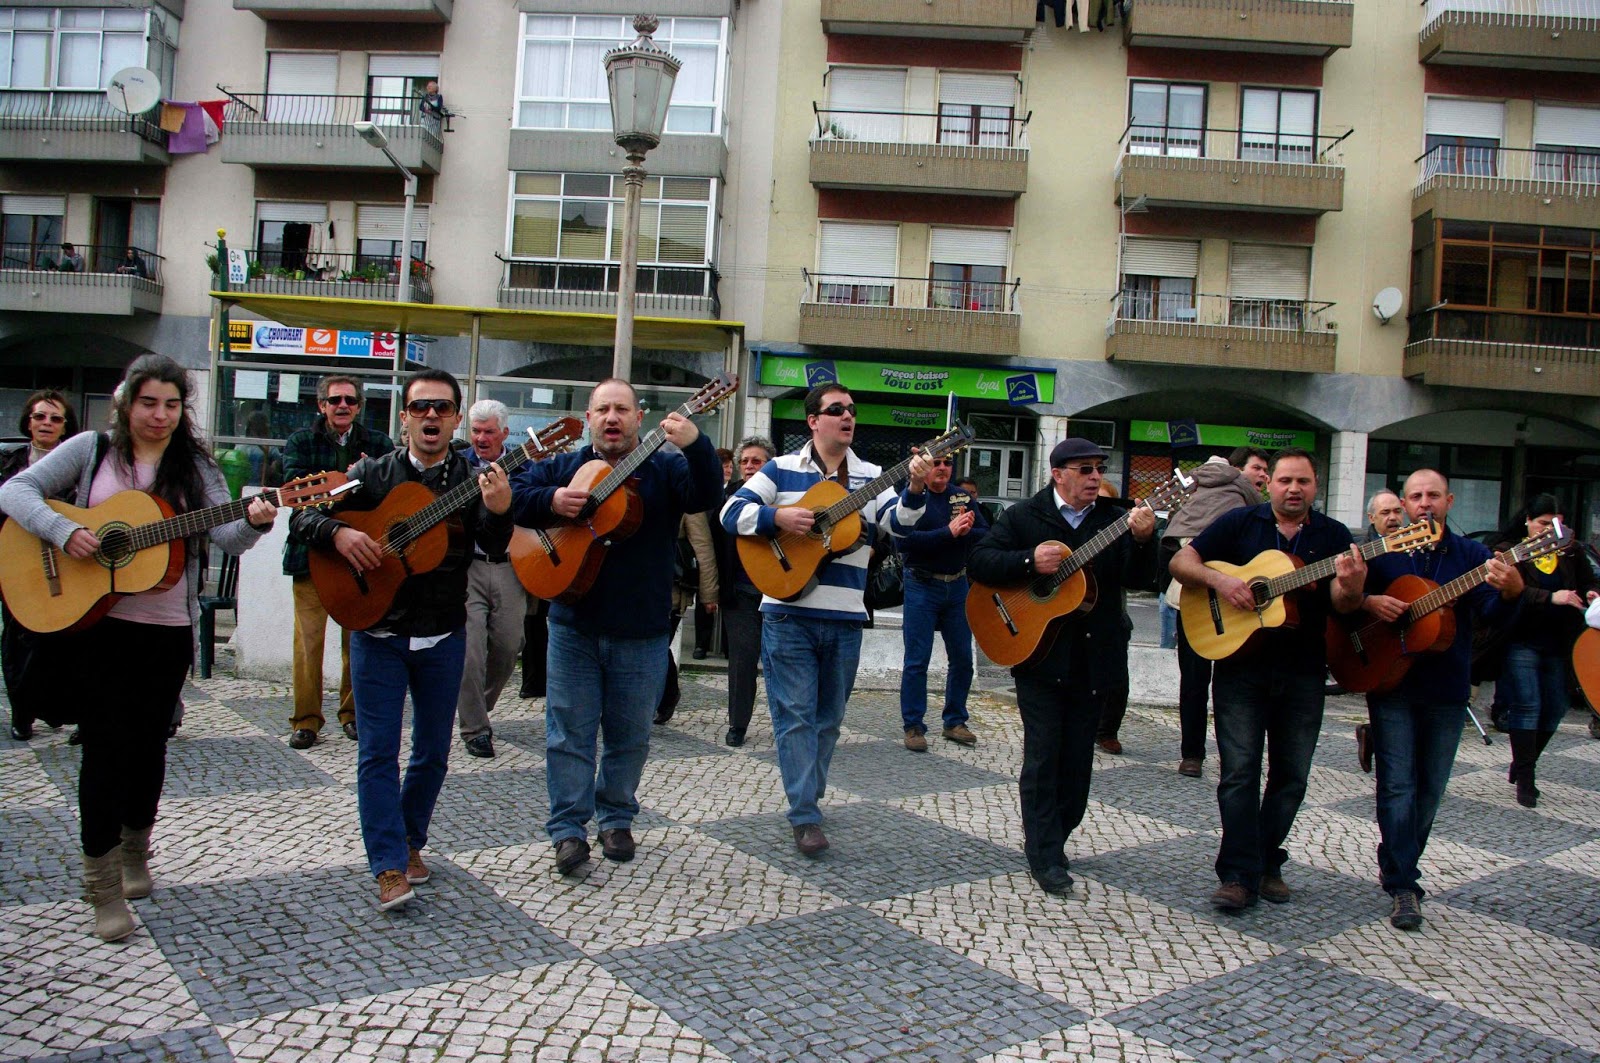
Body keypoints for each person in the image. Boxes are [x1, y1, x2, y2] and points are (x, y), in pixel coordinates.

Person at [0, 355, 277, 941]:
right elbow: (16, 491)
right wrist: (64, 531)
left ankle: (135, 850)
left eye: (172, 405)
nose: (160, 415)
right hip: (95, 627)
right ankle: (100, 882)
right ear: (127, 403)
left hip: (165, 630)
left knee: (149, 748)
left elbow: (225, 535)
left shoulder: (195, 465)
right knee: (103, 749)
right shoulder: (89, 451)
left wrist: (254, 522)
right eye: (149, 403)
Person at [292, 369, 511, 911]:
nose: (431, 416)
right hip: (377, 631)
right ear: (405, 417)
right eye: (420, 408)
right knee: (377, 753)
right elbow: (303, 513)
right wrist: (340, 533)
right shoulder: (372, 473)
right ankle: (388, 864)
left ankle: (412, 839)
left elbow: (493, 543)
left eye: (442, 408)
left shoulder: (474, 477)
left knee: (433, 753)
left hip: (442, 633)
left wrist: (502, 509)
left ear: (457, 418)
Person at [513, 379, 721, 874]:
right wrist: (552, 501)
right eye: (603, 409)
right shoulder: (568, 465)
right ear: (588, 416)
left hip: (643, 629)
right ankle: (567, 830)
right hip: (573, 625)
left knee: (630, 734)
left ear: (640, 416)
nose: (612, 417)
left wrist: (697, 444)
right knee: (568, 732)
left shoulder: (667, 465)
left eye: (621, 409)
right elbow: (516, 496)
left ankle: (616, 818)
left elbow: (707, 494)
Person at [722, 384, 924, 856]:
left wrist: (914, 488)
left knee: (828, 720)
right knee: (794, 716)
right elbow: (731, 511)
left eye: (852, 410)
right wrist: (779, 519)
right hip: (787, 613)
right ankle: (805, 815)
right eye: (837, 410)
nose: (848, 417)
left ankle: (806, 795)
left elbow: (900, 525)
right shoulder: (781, 469)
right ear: (814, 421)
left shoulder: (872, 476)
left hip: (845, 617)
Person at [1169, 447, 1363, 912]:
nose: (1294, 489)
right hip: (1241, 668)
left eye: (1303, 482)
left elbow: (1346, 605)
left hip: (1303, 672)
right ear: (1268, 484)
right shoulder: (1240, 523)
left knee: (1291, 776)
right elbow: (1181, 563)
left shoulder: (1334, 536)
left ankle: (1263, 860)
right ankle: (1238, 875)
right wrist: (1222, 583)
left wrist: (1353, 585)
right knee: (1239, 773)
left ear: (1316, 487)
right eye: (1285, 481)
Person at [968, 438, 1155, 895]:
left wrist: (1146, 540)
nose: (1094, 477)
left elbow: (1141, 578)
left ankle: (1059, 832)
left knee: (1077, 763)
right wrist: (1029, 560)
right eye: (1084, 469)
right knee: (1044, 755)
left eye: (1098, 469)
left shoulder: (1115, 520)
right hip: (1039, 657)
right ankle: (1044, 852)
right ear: (1058, 474)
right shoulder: (1025, 516)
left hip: (1094, 659)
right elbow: (979, 562)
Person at [1354, 469, 1523, 930]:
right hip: (1391, 682)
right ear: (1403, 505)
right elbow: (1350, 603)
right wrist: (1370, 603)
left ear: (1448, 501)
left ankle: (1397, 856)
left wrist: (1509, 591)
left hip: (1447, 686)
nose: (1424, 503)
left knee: (1429, 790)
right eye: (1415, 496)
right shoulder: (1386, 555)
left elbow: (1491, 613)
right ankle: (1404, 883)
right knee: (1398, 785)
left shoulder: (1471, 557)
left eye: (1433, 495)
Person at [280, 376, 393, 749]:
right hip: (310, 557)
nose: (342, 406)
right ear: (321, 406)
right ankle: (306, 721)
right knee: (307, 643)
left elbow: (390, 498)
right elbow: (294, 493)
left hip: (359, 558)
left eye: (350, 400)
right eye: (334, 400)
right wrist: (349, 488)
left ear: (359, 406)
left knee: (356, 641)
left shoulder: (377, 444)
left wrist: (371, 481)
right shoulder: (301, 441)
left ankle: (353, 714)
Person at [1158, 447, 1269, 778]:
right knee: (1210, 680)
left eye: (1266, 470)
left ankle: (1195, 754)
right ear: (1237, 469)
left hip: (1198, 598)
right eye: (1257, 469)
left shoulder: (1199, 485)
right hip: (1204, 596)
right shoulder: (1238, 495)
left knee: (1199, 681)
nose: (1263, 476)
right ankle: (1211, 753)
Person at [1492, 495, 1596, 806]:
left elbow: (1590, 580)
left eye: (1557, 523)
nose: (1550, 529)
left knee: (1556, 706)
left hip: (1560, 642)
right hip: (1521, 638)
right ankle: (1526, 778)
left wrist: (1591, 593)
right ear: (1527, 521)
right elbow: (1511, 589)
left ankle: (1523, 761)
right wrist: (1552, 597)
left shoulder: (1571, 550)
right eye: (1543, 523)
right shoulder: (1511, 550)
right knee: (1527, 704)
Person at [2, 389, 80, 741]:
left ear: (65, 427)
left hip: (63, 563)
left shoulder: (77, 467)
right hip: (14, 558)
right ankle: (23, 712)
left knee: (61, 637)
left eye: (55, 418)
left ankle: (54, 706)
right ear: (28, 422)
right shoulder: (9, 462)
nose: (46, 424)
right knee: (20, 636)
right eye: (39, 417)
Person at [898, 449, 988, 751]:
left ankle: (955, 721)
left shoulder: (961, 496)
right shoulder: (912, 497)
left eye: (947, 463)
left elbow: (985, 533)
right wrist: (947, 533)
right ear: (924, 466)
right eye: (936, 463)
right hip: (922, 584)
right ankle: (913, 726)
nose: (942, 468)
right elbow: (905, 542)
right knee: (917, 660)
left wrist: (963, 532)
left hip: (958, 584)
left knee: (963, 658)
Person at [456, 400, 531, 760]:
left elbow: (534, 505)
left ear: (504, 432)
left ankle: (476, 709)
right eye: (475, 431)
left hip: (509, 564)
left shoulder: (523, 464)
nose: (481, 438)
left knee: (508, 646)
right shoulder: (456, 464)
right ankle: (474, 728)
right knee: (469, 653)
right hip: (467, 566)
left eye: (488, 431)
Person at [720, 437, 774, 747]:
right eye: (745, 462)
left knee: (781, 663)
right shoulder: (727, 498)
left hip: (779, 594)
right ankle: (737, 725)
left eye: (757, 461)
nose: (750, 466)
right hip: (739, 592)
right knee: (741, 661)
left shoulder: (784, 497)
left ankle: (787, 724)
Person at [655, 510, 718, 725]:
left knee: (657, 646)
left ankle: (667, 695)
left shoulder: (686, 496)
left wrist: (708, 594)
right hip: (634, 587)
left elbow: (703, 547)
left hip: (670, 591)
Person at [1093, 479, 1136, 755]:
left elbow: (1136, 573)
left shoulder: (1119, 531)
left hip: (1112, 614)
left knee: (1117, 679)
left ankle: (1108, 730)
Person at [692, 446, 735, 660]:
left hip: (728, 554)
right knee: (705, 599)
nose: (728, 469)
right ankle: (702, 643)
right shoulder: (706, 491)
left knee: (728, 600)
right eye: (724, 466)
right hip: (706, 551)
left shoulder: (735, 491)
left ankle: (728, 646)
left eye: (730, 466)